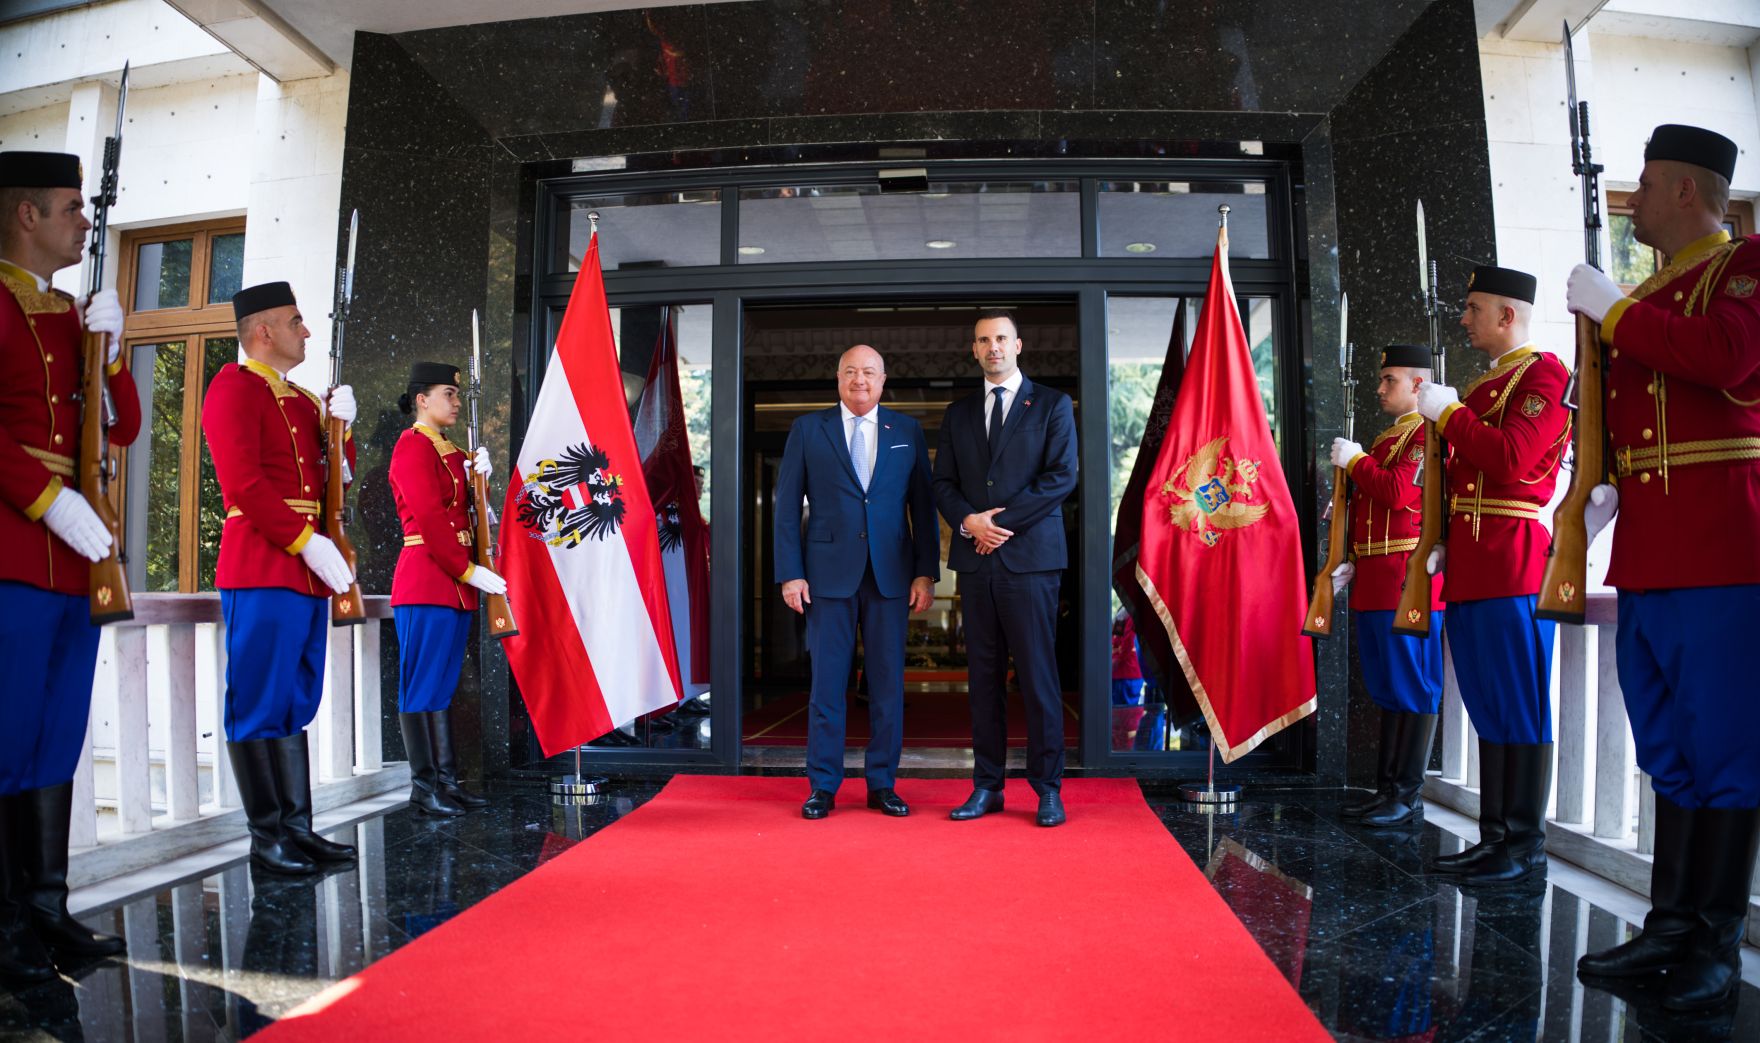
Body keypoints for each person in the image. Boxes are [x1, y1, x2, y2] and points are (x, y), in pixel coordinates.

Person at [1566, 124, 1760, 1012]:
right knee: (1670, 749)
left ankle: (1715, 941)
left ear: (1687, 190)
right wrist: (1599, 489)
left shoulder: (1745, 267)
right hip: (1649, 549)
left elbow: (1727, 358)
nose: (1632, 202)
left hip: (1726, 550)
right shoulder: (1650, 292)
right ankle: (1671, 922)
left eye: (1644, 186)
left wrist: (1613, 311)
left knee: (1727, 749)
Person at [0, 150, 137, 981]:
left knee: (55, 736)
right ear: (25, 215)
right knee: (7, 734)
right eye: (70, 208)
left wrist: (112, 351)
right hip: (16, 548)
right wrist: (46, 500)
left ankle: (46, 908)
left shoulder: (65, 312)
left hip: (73, 562)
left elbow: (117, 430)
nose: (84, 222)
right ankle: (7, 923)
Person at [1415, 265, 1570, 885]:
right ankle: (1496, 836)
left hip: (1515, 563)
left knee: (1520, 708)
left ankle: (1524, 844)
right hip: (1475, 564)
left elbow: (1512, 460)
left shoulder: (1545, 375)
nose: (1463, 318)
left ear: (1508, 315)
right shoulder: (1483, 390)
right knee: (1487, 706)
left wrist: (1449, 417)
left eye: (1474, 308)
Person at [201, 281, 359, 876]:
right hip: (266, 562)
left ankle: (297, 830)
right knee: (258, 702)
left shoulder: (301, 401)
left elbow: (329, 484)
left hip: (306, 568)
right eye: (297, 321)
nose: (308, 332)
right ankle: (265, 842)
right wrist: (305, 542)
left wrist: (340, 435)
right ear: (263, 331)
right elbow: (243, 485)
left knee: (294, 699)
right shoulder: (232, 388)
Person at [773, 344, 938, 819]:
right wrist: (790, 572)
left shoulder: (906, 430)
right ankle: (823, 786)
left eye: (869, 372)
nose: (860, 380)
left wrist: (925, 572)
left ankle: (882, 784)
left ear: (884, 380)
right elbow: (786, 509)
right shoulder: (808, 429)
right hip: (826, 577)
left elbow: (922, 510)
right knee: (826, 686)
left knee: (888, 687)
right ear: (838, 378)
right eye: (850, 371)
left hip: (892, 577)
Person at [933, 309, 1078, 827]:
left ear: (1019, 345)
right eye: (983, 340)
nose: (992, 347)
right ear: (974, 350)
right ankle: (987, 786)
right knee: (983, 680)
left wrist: (1000, 524)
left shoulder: (1054, 405)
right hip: (976, 563)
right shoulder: (959, 413)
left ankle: (1047, 790)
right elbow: (942, 484)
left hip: (1030, 564)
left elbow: (1062, 476)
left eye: (1001, 338)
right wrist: (970, 522)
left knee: (1038, 678)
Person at [1327, 344, 1444, 828]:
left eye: (1389, 380)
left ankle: (1406, 794)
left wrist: (1355, 465)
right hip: (1375, 577)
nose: (1380, 389)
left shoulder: (1425, 436)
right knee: (1386, 687)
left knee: (1412, 686)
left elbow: (1397, 493)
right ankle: (1386, 789)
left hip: (1405, 577)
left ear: (1418, 384)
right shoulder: (1386, 440)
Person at [388, 362, 506, 817]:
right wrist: (467, 569)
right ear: (422, 399)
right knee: (421, 687)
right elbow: (432, 520)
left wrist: (483, 479)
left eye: (457, 395)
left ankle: (447, 783)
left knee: (441, 688)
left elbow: (476, 514)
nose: (456, 402)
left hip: (453, 584)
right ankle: (424, 789)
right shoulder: (412, 447)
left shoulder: (452, 451)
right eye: (448, 394)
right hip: (427, 578)